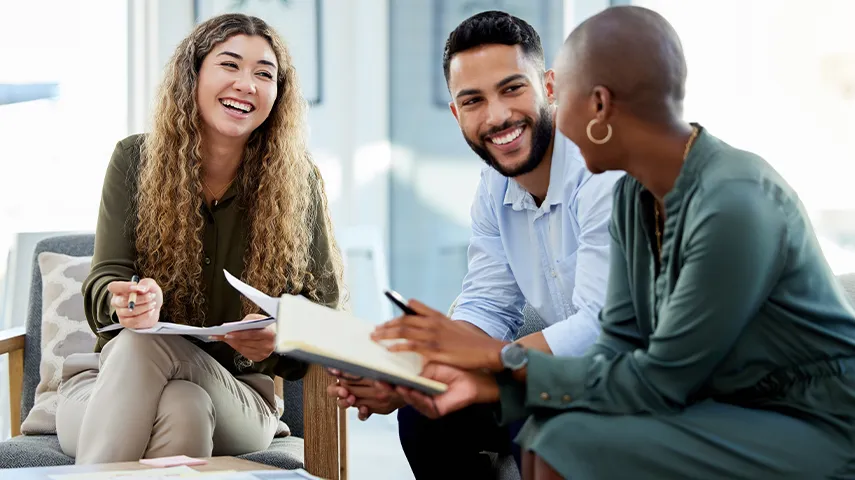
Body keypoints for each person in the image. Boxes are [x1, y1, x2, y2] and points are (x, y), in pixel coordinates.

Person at [373, 5, 855, 480]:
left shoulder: (735, 201)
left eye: (564, 97)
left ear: (595, 104)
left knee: (562, 438)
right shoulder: (633, 195)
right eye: (475, 100)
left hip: (805, 416)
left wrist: (491, 368)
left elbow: (659, 376)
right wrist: (455, 374)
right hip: (703, 396)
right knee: (551, 436)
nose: (554, 118)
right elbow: (619, 340)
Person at [328, 10, 621, 479]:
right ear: (455, 112)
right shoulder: (494, 185)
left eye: (511, 89)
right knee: (426, 413)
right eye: (473, 100)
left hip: (620, 379)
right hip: (549, 375)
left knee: (540, 418)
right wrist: (410, 376)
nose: (497, 116)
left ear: (549, 86)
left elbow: (597, 327)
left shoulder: (602, 169)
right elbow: (488, 303)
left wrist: (474, 367)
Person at [55, 13, 344, 464]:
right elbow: (106, 278)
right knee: (182, 405)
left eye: (263, 74)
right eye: (229, 65)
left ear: (278, 95)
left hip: (239, 396)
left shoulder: (298, 182)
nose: (246, 84)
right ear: (193, 75)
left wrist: (278, 336)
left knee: (145, 349)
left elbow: (325, 315)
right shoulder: (134, 160)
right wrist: (127, 301)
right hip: (104, 386)